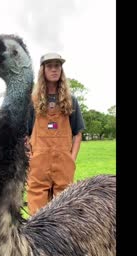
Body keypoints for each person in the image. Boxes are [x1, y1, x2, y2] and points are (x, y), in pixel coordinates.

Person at [25, 52, 85, 215]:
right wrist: (30, 155)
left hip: (63, 163)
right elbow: (25, 133)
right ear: (43, 70)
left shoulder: (70, 100)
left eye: (57, 66)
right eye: (50, 66)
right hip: (39, 165)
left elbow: (77, 133)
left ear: (61, 70)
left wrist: (71, 159)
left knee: (65, 213)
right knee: (37, 213)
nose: (54, 69)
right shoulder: (33, 100)